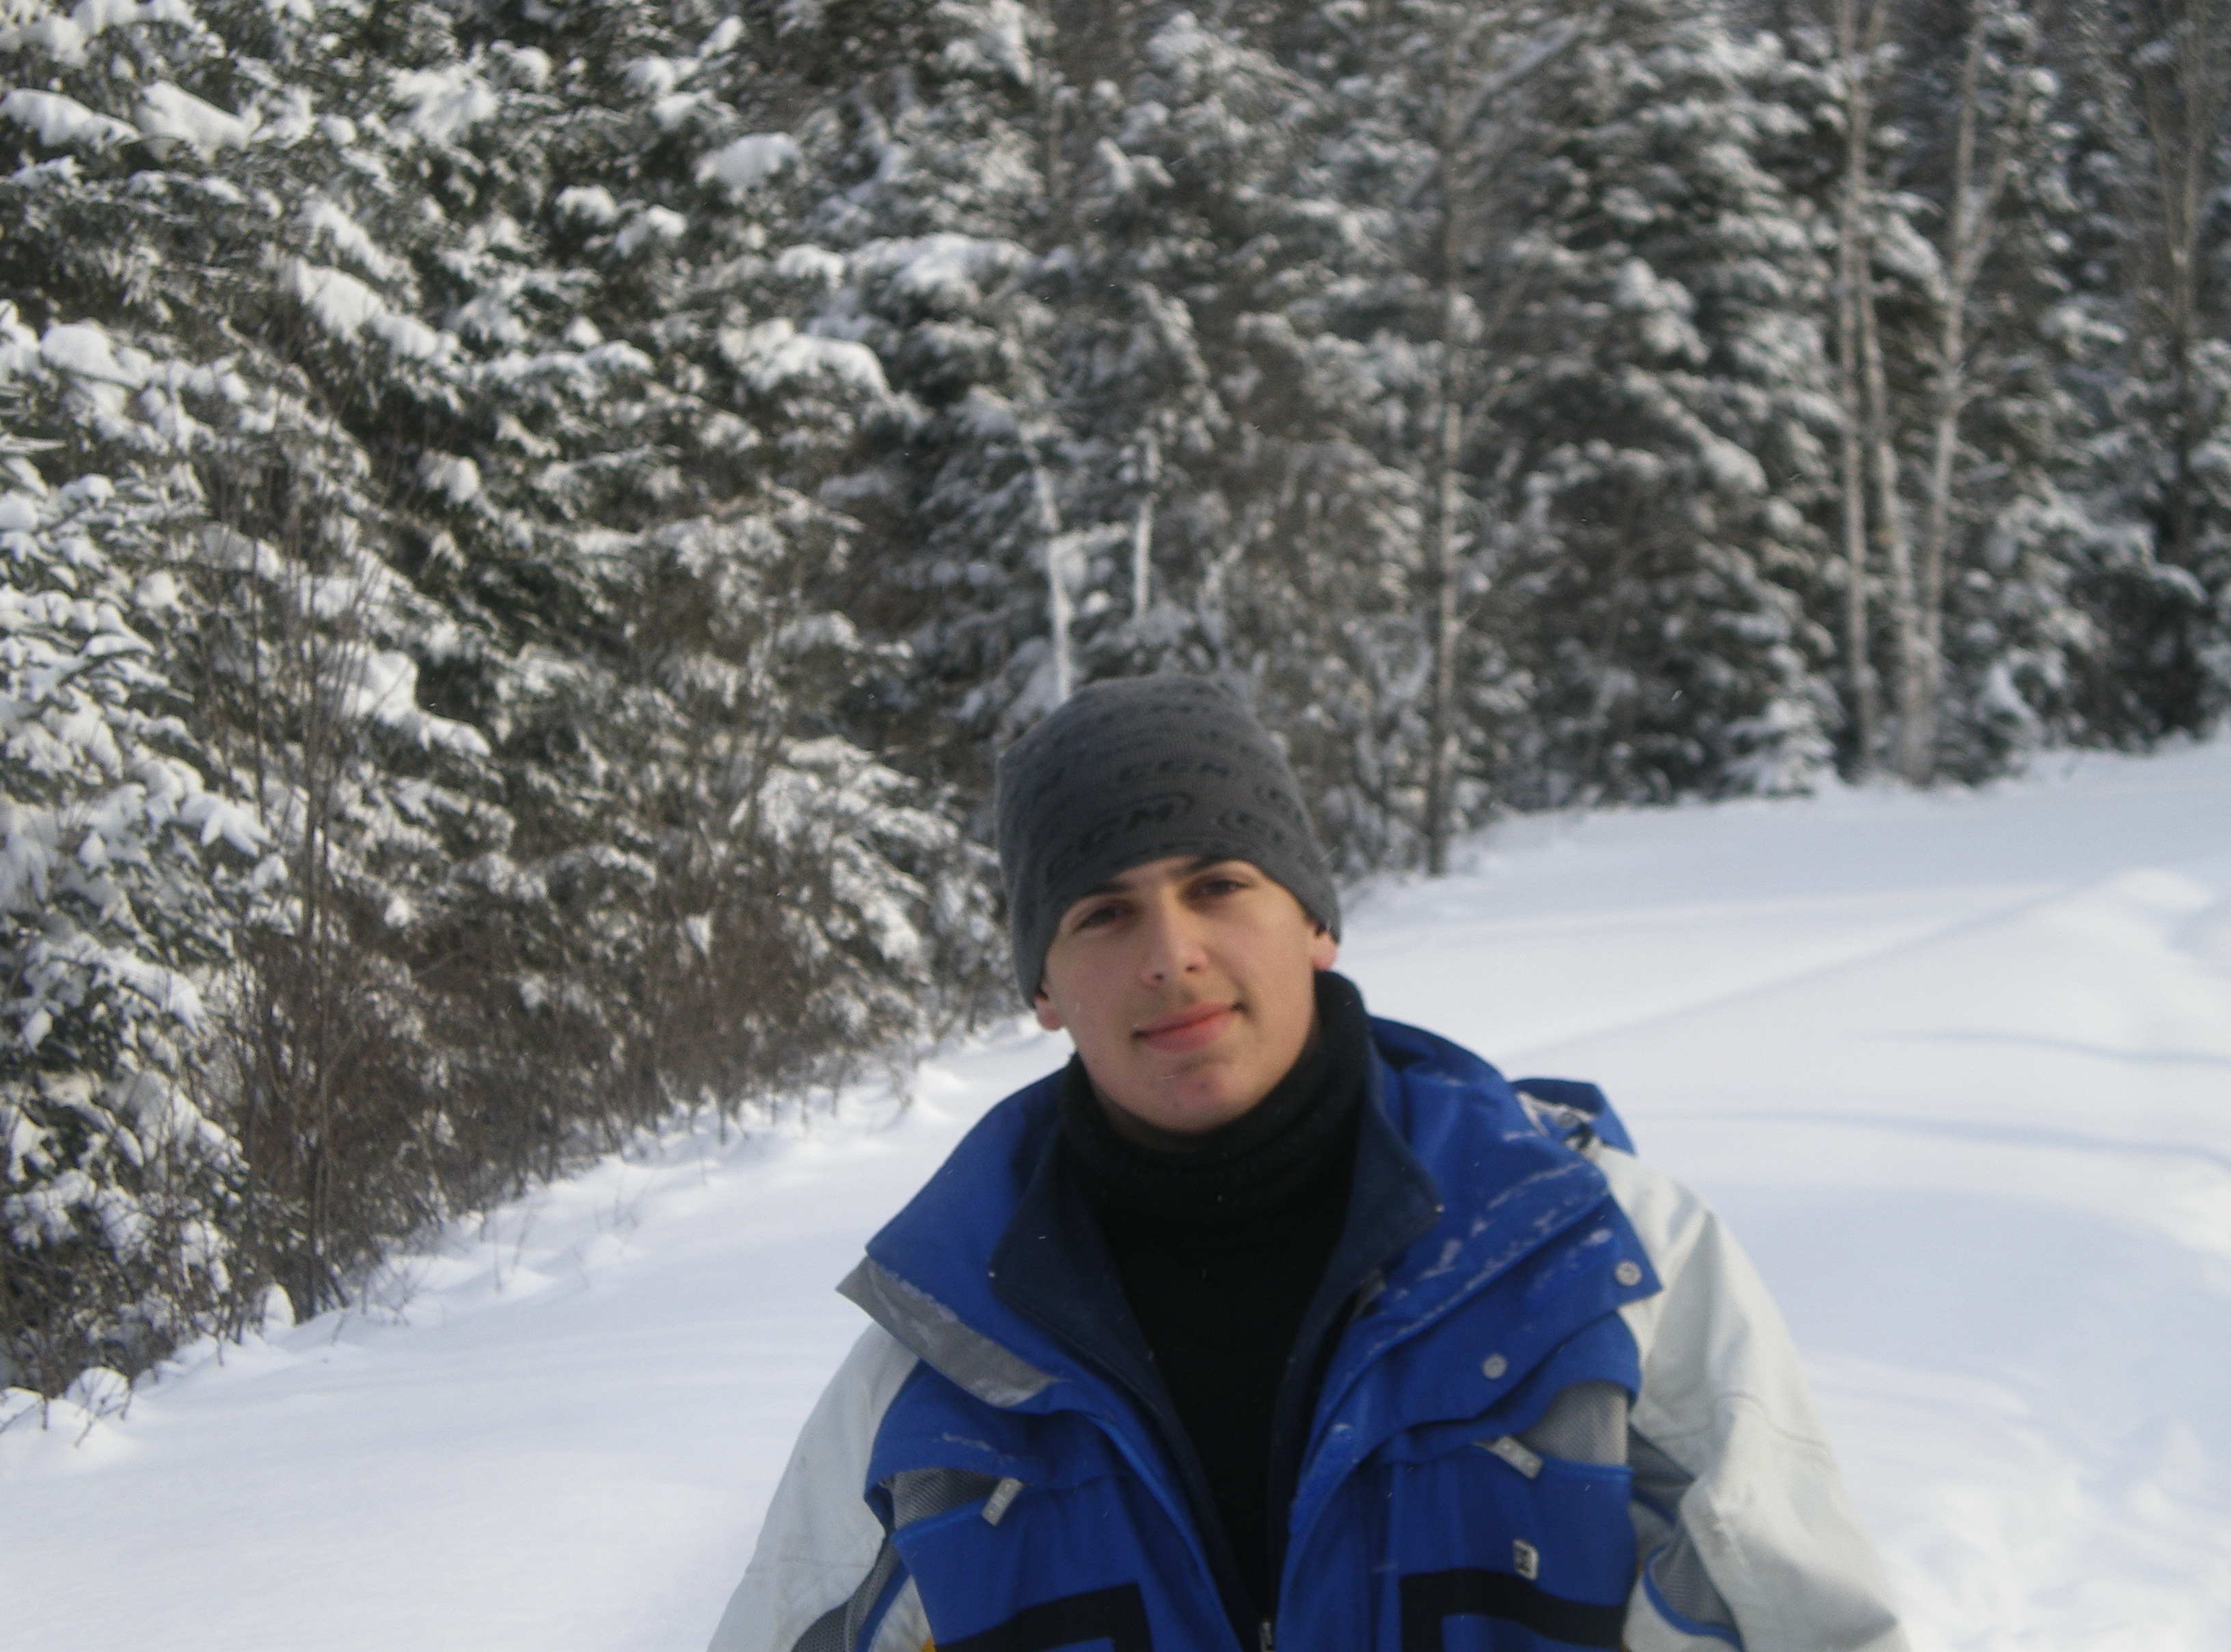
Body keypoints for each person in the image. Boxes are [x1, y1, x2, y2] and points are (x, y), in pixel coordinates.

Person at [709, 675, 1907, 1652]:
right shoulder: (938, 1369)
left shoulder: (1615, 1267)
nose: (1173, 955)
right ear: (1043, 989)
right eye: (1103, 914)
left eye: (1218, 885)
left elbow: (1808, 1624)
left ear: (1315, 921)